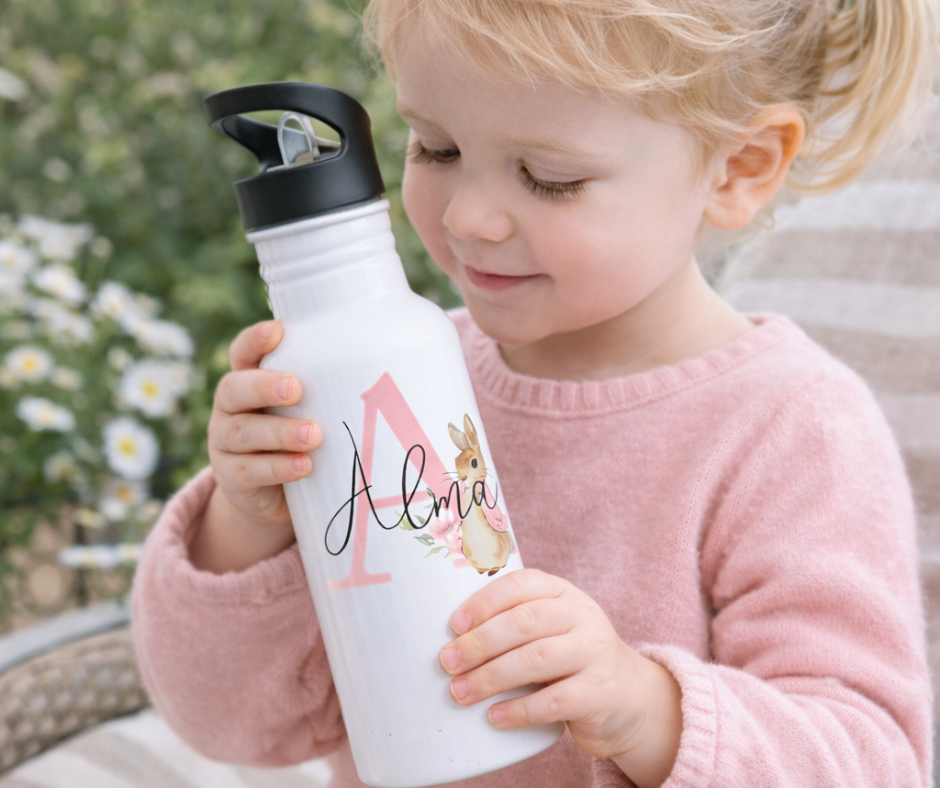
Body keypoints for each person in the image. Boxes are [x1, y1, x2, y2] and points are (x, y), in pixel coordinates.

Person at [132, 0, 938, 786]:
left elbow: (873, 760)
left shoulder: (790, 428)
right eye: (437, 148)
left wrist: (645, 709)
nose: (469, 217)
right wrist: (247, 529)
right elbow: (229, 728)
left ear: (740, 167)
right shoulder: (384, 384)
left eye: (550, 178)